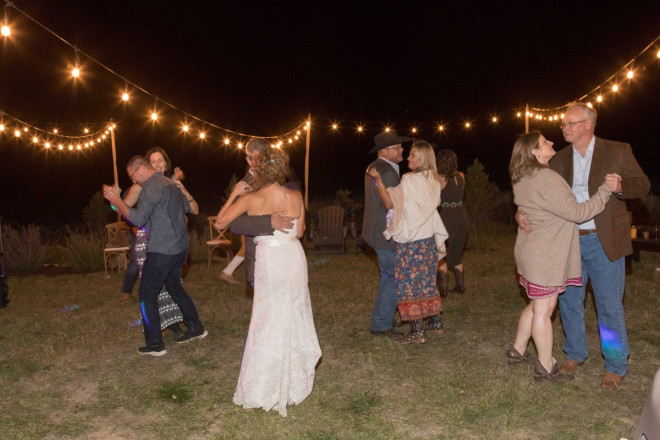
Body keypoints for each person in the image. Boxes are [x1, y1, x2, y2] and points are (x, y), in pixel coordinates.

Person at [519, 103, 650, 389]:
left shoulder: (617, 150)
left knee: (608, 304)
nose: (564, 127)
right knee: (569, 302)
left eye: (570, 123)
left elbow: (642, 184)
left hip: (604, 241)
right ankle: (575, 353)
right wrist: (521, 213)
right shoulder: (558, 158)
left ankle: (615, 365)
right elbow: (535, 192)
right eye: (564, 124)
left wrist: (620, 188)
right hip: (566, 243)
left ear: (588, 124)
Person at [215, 147, 321, 417]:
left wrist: (235, 195)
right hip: (293, 258)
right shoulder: (296, 195)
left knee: (267, 316)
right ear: (283, 169)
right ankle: (292, 380)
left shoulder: (252, 197)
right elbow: (299, 232)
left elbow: (220, 223)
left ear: (260, 169)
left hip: (270, 260)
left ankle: (266, 382)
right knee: (293, 313)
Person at [508, 131, 614, 382]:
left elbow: (526, 208)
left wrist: (519, 215)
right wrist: (604, 192)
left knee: (536, 304)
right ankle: (545, 366)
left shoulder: (523, 176)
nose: (551, 143)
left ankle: (517, 349)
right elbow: (577, 213)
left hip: (530, 251)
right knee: (544, 309)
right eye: (545, 142)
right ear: (535, 152)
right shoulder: (546, 178)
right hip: (544, 255)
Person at [103, 156, 207, 357]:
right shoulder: (169, 183)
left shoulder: (151, 187)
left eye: (132, 176)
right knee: (176, 288)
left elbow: (138, 219)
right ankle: (196, 328)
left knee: (146, 295)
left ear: (140, 169)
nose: (133, 181)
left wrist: (116, 200)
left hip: (162, 250)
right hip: (180, 248)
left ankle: (155, 344)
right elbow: (186, 209)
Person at [368, 140, 448, 344]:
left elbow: (389, 203)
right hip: (428, 242)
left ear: (424, 158)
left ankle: (417, 332)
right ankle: (436, 322)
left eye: (413, 155)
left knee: (409, 286)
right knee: (427, 283)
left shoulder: (409, 181)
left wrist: (378, 181)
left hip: (411, 244)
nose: (409, 158)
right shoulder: (433, 181)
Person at [361, 130, 410, 339]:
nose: (402, 149)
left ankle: (387, 318)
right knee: (392, 277)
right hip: (386, 233)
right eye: (398, 147)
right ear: (386, 150)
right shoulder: (386, 172)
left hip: (377, 230)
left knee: (389, 276)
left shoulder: (376, 167)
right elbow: (392, 204)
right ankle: (381, 324)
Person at [435, 149, 469, 296]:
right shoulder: (460, 176)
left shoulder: (437, 178)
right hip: (461, 217)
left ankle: (442, 289)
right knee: (456, 251)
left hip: (445, 218)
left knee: (441, 252)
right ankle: (460, 286)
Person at [145, 146, 199, 215]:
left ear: (166, 163)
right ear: (148, 166)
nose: (157, 165)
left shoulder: (172, 185)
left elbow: (195, 211)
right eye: (153, 162)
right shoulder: (144, 187)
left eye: (160, 161)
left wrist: (187, 195)